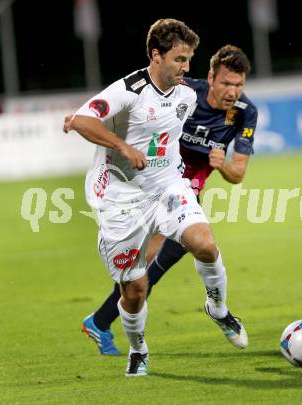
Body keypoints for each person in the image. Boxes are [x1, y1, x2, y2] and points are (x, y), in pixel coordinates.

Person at [64, 20, 248, 377]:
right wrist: (119, 144)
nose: (186, 67)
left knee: (205, 244)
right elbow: (88, 119)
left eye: (190, 59)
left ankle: (218, 309)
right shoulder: (129, 90)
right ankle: (138, 349)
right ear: (156, 55)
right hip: (121, 197)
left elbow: (220, 95)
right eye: (180, 59)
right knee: (134, 289)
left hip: (167, 185)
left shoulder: (186, 93)